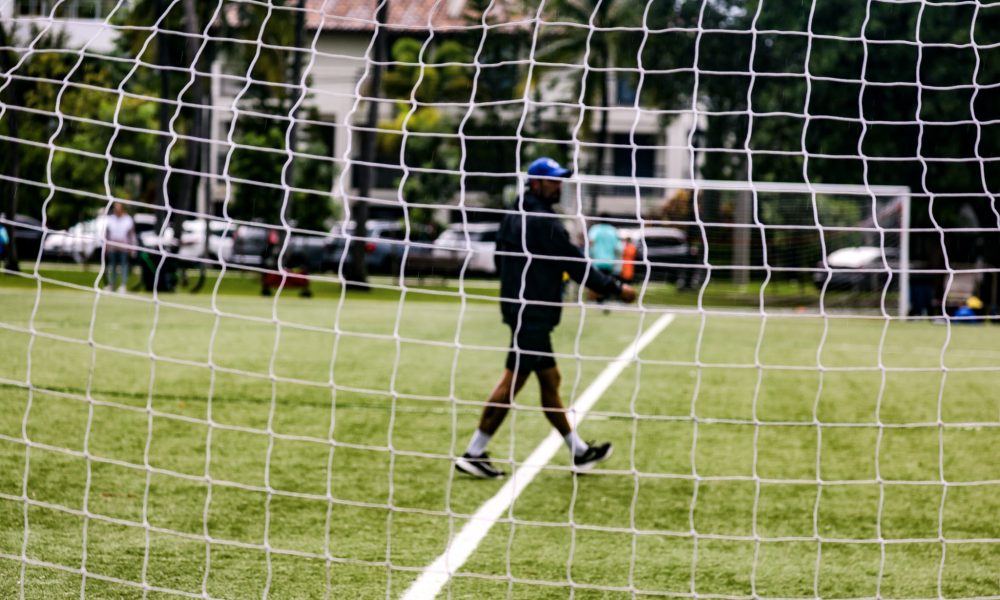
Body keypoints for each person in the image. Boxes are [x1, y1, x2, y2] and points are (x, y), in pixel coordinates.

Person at [455, 157, 637, 479]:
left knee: (550, 381)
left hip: (521, 309)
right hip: (533, 313)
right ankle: (474, 452)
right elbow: (576, 264)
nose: (558, 185)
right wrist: (615, 288)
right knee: (513, 382)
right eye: (553, 180)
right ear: (536, 182)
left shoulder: (514, 215)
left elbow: (500, 260)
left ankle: (579, 451)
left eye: (560, 180)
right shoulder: (543, 221)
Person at [104, 202, 136, 293]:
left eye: (118, 208)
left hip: (124, 248)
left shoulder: (128, 219)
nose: (116, 209)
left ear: (122, 209)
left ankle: (123, 285)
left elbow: (131, 235)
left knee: (124, 266)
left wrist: (132, 248)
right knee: (112, 266)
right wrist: (106, 245)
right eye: (115, 208)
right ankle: (111, 285)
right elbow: (107, 233)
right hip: (112, 247)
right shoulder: (110, 219)